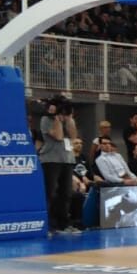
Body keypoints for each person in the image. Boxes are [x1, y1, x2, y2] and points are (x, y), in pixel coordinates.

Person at [38, 95, 80, 234]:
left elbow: (73, 137)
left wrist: (69, 118)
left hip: (67, 160)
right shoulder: (45, 120)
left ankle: (64, 224)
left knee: (66, 193)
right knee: (50, 193)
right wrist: (56, 119)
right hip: (50, 159)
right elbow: (58, 136)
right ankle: (48, 224)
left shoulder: (68, 120)